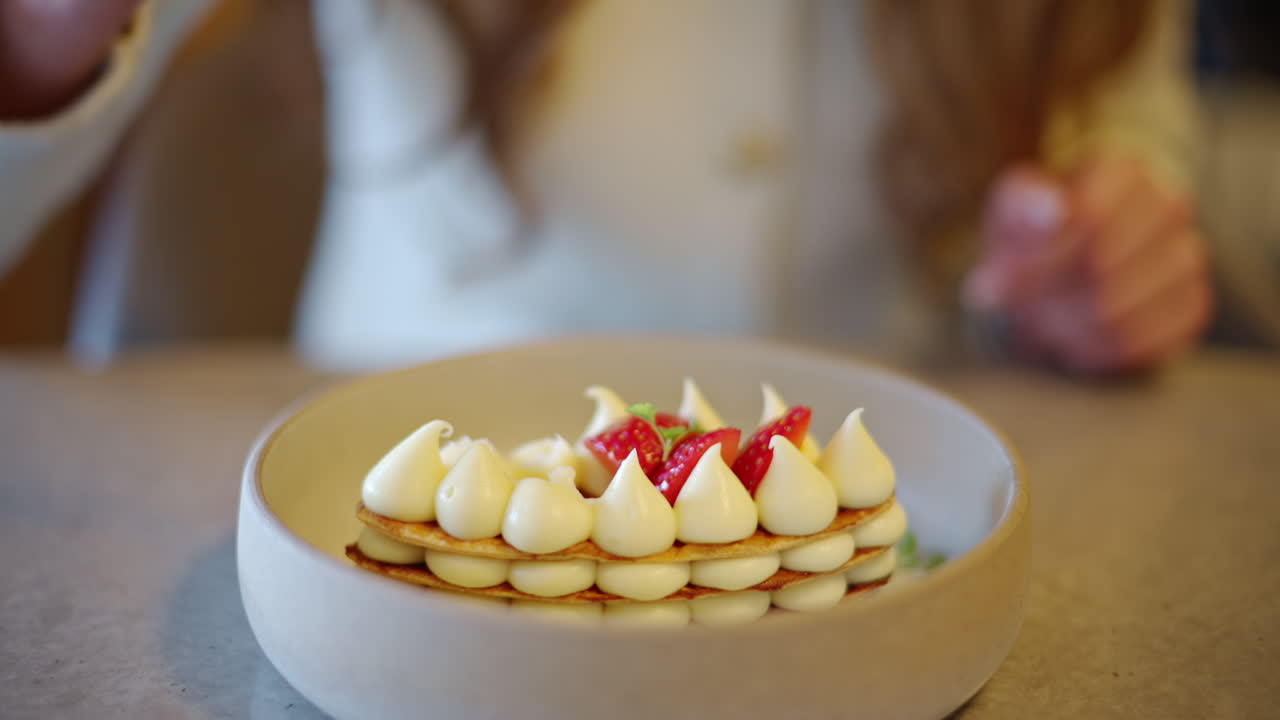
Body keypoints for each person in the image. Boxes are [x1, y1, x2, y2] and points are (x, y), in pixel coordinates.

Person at [0, 0, 1212, 372]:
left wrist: (1104, 247)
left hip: (887, 543)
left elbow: (1120, 110)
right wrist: (38, 49)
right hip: (402, 535)